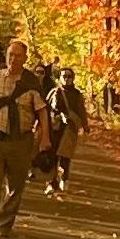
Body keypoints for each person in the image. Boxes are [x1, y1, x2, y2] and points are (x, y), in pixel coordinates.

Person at [0, 37, 46, 239]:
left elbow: (42, 113)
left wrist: (44, 138)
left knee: (15, 187)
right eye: (10, 54)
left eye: (18, 56)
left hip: (21, 140)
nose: (13, 59)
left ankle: (3, 229)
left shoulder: (31, 83)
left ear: (25, 59)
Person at [41, 61, 86, 197]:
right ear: (59, 78)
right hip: (55, 128)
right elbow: (46, 108)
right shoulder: (55, 92)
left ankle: (64, 180)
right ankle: (51, 182)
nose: (66, 79)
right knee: (52, 156)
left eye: (69, 76)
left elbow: (81, 110)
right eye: (63, 76)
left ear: (73, 78)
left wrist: (85, 126)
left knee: (65, 157)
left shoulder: (77, 94)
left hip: (70, 129)